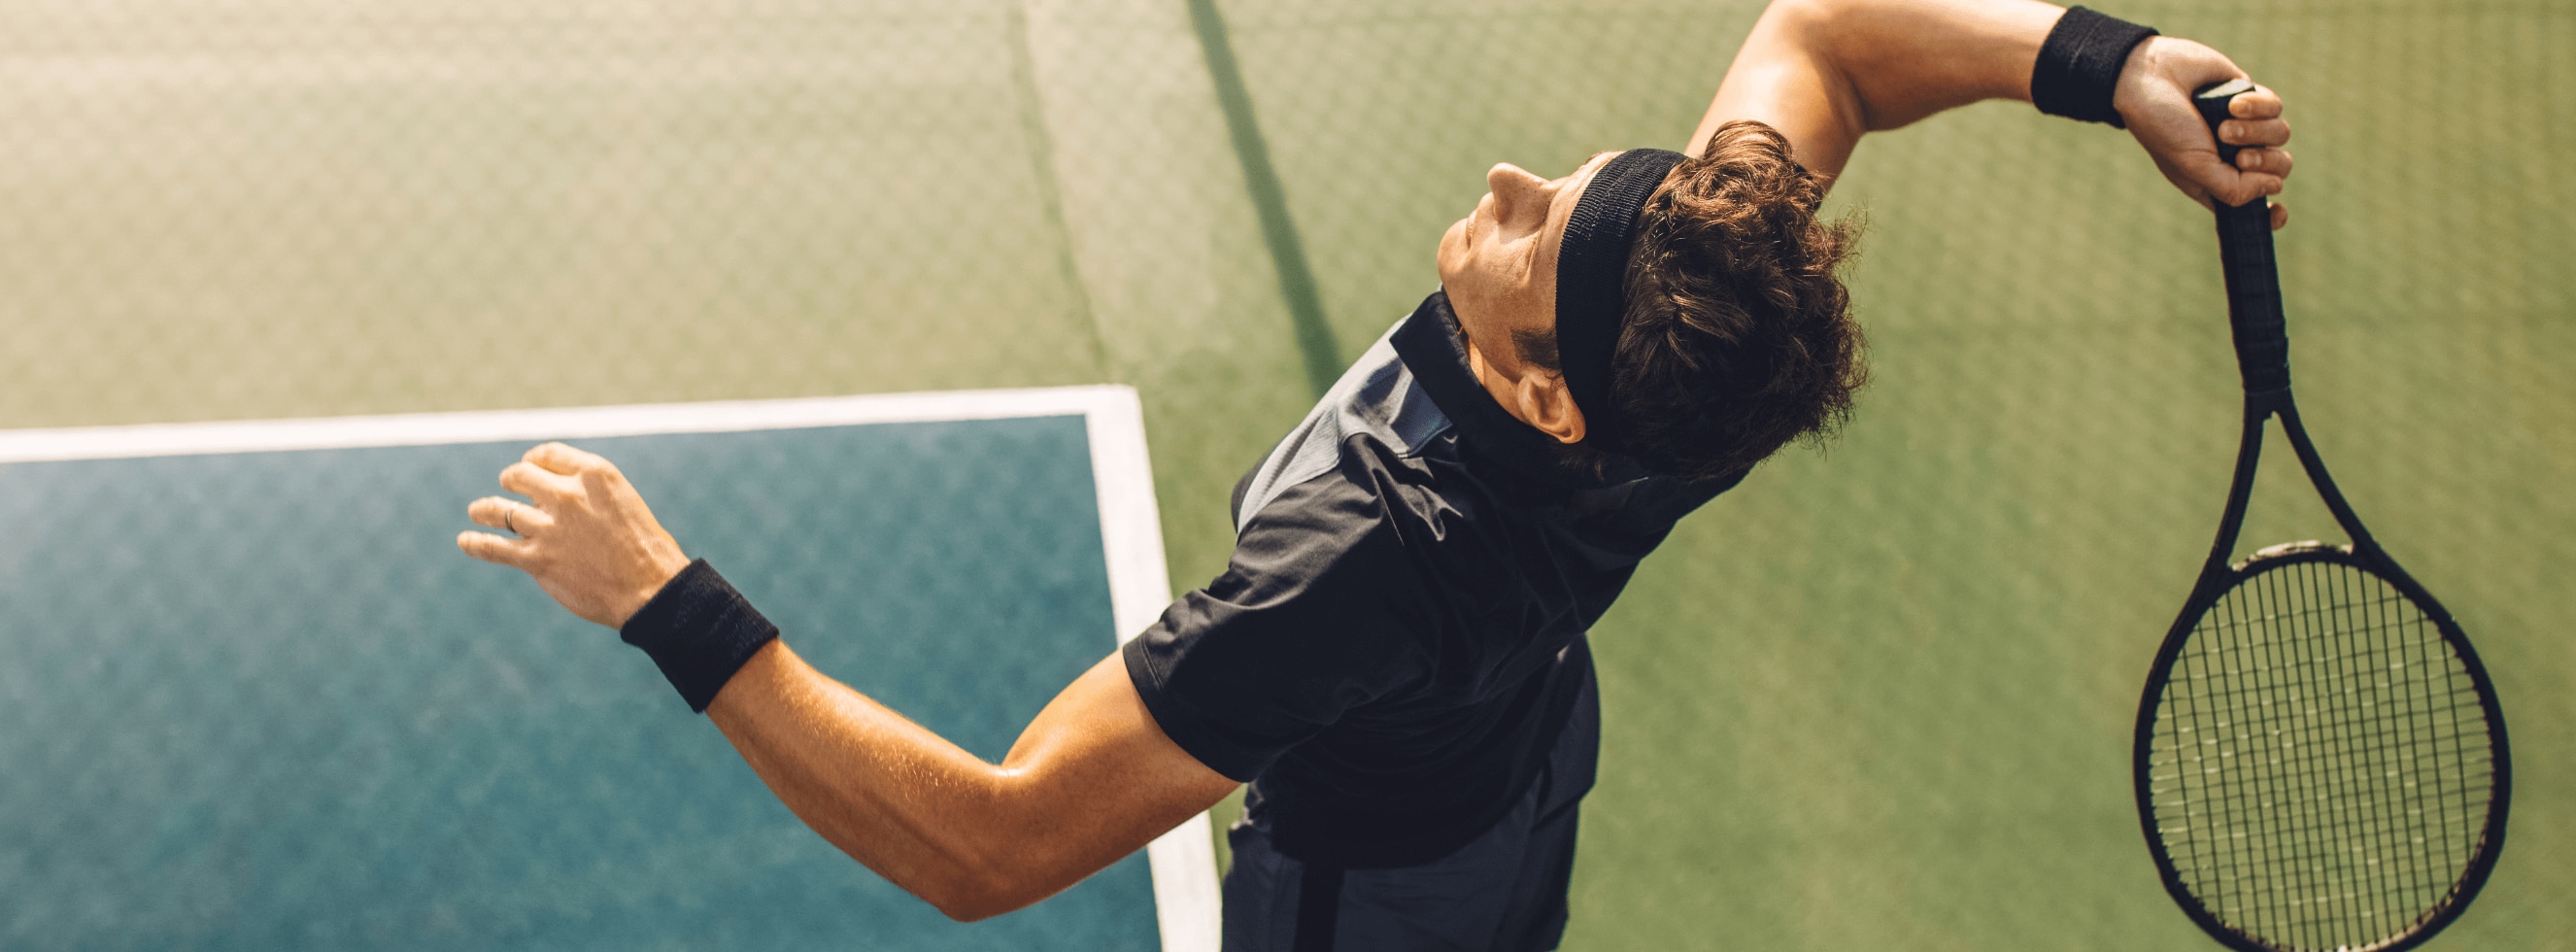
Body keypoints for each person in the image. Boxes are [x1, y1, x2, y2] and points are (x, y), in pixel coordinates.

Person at [455, 1, 2293, 948]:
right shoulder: (1695, 333)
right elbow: (1823, 37)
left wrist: (661, 599)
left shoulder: (1365, 567)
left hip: (1383, 888)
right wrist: (2111, 67)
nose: (1506, 188)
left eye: (1532, 235)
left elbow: (988, 843)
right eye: (1572, 182)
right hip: (1515, 767)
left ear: (1542, 398)